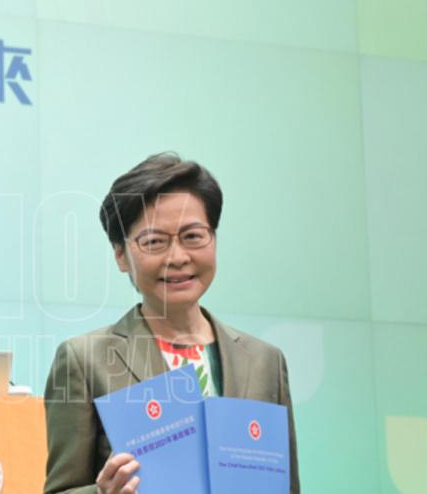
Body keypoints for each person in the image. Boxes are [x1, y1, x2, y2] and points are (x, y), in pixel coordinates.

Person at [43, 152, 299, 494]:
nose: (178, 257)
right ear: (121, 255)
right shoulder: (85, 360)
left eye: (193, 236)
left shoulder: (265, 361)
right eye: (154, 242)